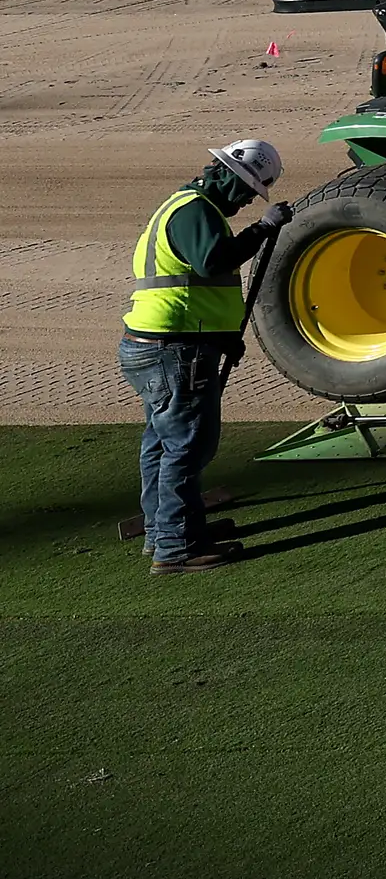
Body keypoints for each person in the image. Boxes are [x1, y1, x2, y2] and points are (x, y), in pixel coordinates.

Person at [120, 139, 288, 575]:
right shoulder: (195, 210)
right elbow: (213, 262)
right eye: (249, 190)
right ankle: (176, 548)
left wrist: (220, 336)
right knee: (187, 446)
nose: (249, 199)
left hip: (160, 344)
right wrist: (262, 229)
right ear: (226, 174)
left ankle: (166, 530)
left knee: (161, 443)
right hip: (175, 350)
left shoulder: (182, 207)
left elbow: (193, 282)